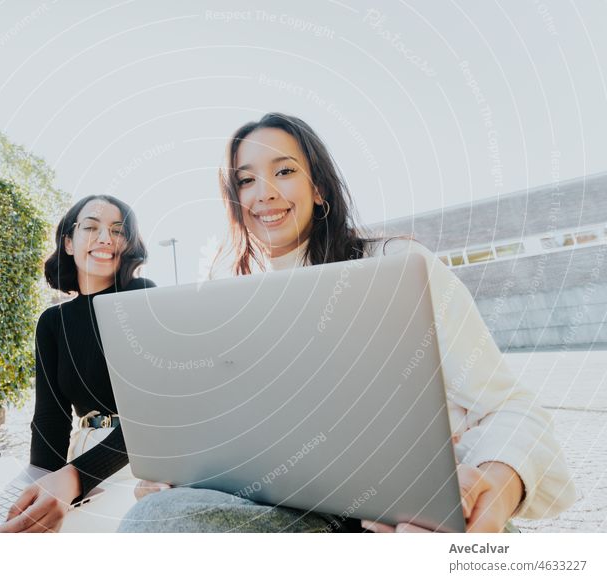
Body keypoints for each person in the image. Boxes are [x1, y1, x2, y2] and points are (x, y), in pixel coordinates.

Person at [122, 113, 577, 533]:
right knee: (154, 519)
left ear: (319, 187)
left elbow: (513, 410)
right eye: (246, 180)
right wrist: (178, 478)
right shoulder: (229, 303)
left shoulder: (395, 266)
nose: (264, 193)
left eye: (284, 171)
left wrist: (497, 491)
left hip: (405, 517)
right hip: (293, 517)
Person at [0, 194, 155, 533]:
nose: (105, 238)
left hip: (138, 460)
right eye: (91, 227)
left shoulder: (142, 295)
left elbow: (155, 411)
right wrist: (36, 485)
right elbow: (50, 419)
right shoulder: (52, 322)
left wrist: (74, 479)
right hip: (77, 454)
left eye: (118, 230)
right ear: (69, 242)